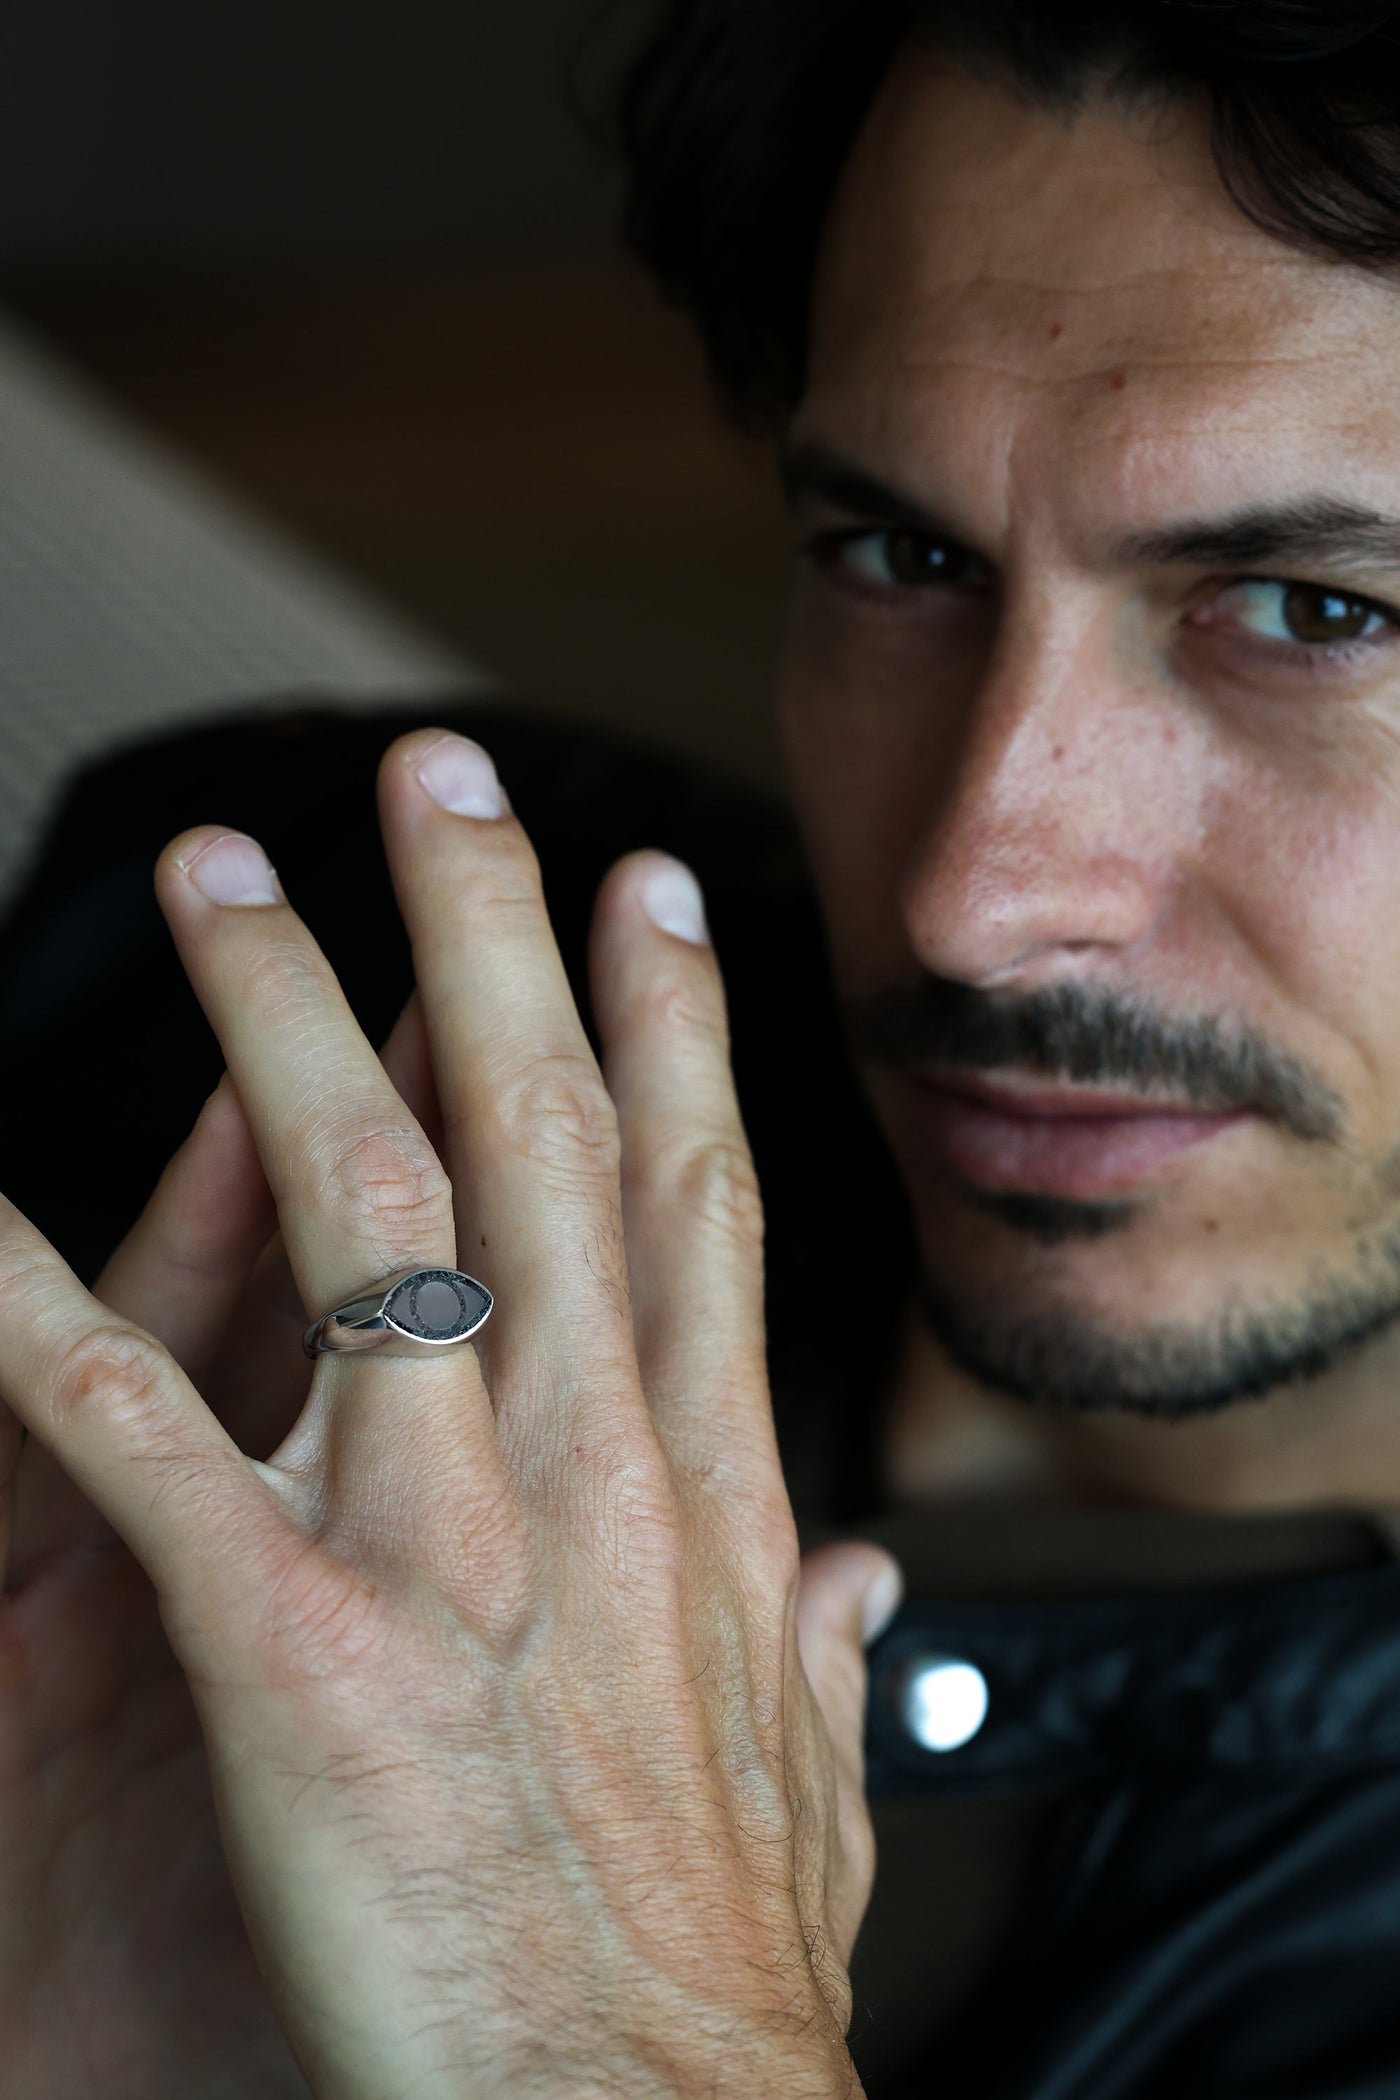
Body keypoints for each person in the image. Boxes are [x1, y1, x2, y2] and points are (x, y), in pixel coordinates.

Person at [7, 1, 1400, 2092]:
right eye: (898, 558)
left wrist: (630, 2047)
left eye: (1309, 611)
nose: (966, 889)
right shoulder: (293, 949)